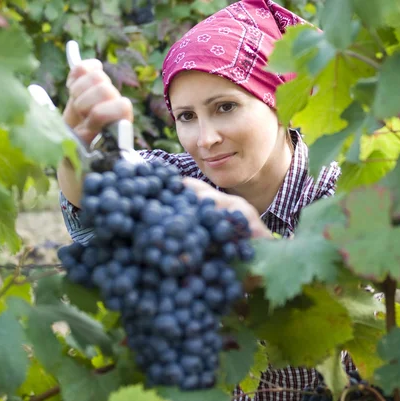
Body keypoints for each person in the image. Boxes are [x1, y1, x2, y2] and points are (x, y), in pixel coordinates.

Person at [57, 0, 351, 399]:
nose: (205, 139)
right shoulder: (176, 183)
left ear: (281, 101)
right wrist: (75, 142)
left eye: (225, 107)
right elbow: (98, 195)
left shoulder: (342, 198)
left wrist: (259, 246)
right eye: (186, 117)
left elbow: (332, 310)